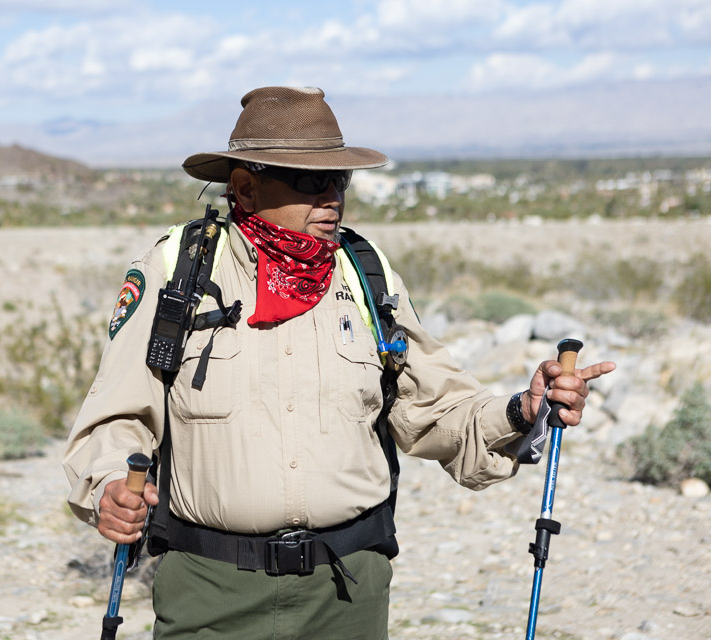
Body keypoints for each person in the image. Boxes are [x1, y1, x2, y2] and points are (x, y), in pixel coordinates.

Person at [63, 86, 616, 639]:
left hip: (348, 593)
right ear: (245, 189)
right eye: (308, 181)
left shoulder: (365, 274)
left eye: (339, 180)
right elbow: (116, 417)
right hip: (210, 592)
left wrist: (524, 410)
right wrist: (111, 482)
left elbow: (436, 409)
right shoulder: (176, 270)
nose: (330, 196)